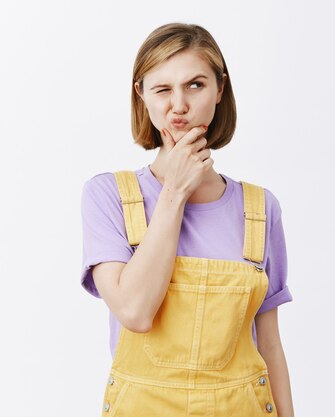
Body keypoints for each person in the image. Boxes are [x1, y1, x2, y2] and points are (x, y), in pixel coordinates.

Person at [80, 22, 295, 416]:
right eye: (162, 89)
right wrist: (175, 192)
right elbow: (135, 312)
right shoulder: (108, 196)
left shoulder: (261, 209)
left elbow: (270, 345)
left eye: (195, 85)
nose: (178, 105)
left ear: (219, 90)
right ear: (141, 95)